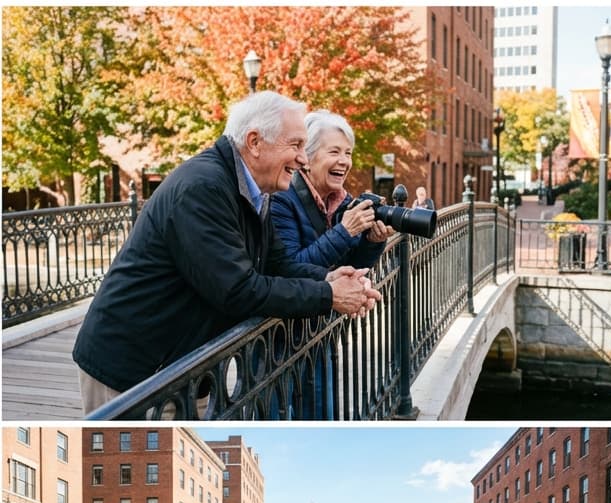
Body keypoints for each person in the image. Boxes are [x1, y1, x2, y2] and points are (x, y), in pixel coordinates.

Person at [72, 91, 382, 414]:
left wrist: (328, 277)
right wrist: (328, 295)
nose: (303, 158)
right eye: (296, 145)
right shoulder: (204, 188)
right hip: (133, 370)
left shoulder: (255, 190)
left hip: (181, 368)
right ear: (254, 142)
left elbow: (278, 265)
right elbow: (238, 289)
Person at [272, 110, 391, 270]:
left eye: (348, 153)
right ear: (306, 159)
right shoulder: (281, 199)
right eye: (334, 152)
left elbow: (353, 266)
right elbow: (290, 268)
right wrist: (344, 231)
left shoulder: (344, 202)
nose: (344, 161)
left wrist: (372, 242)